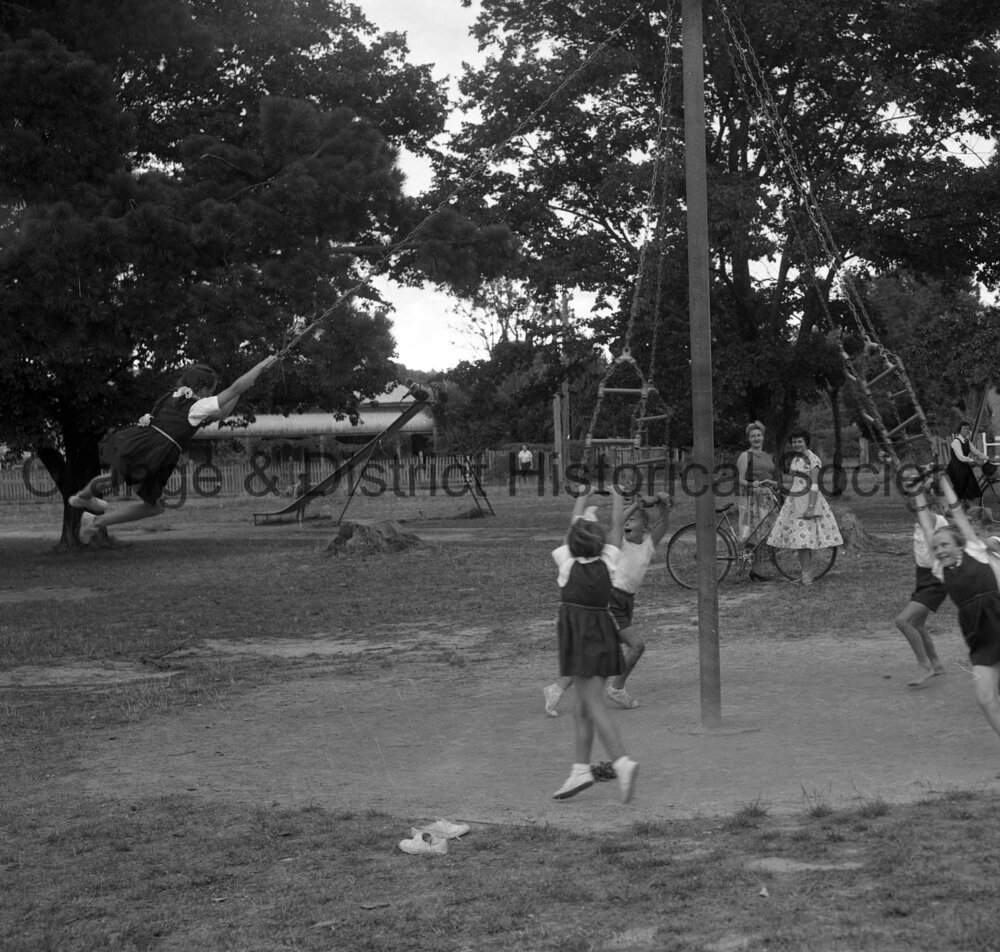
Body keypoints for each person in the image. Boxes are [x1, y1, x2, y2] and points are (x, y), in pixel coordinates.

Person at [70, 355, 278, 543]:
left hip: (150, 446)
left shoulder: (176, 396)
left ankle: (92, 516)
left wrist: (243, 389)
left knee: (150, 503)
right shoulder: (197, 405)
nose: (212, 396)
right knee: (121, 480)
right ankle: (87, 505)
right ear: (203, 390)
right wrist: (260, 367)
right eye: (211, 392)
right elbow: (233, 389)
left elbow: (222, 412)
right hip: (154, 450)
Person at [544, 492, 673, 715]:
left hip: (627, 602)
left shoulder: (648, 544)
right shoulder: (619, 544)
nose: (629, 523)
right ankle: (616, 688)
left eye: (634, 520)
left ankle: (557, 688)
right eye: (629, 520)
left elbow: (664, 523)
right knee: (636, 645)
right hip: (611, 600)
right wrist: (635, 506)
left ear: (645, 527)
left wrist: (663, 504)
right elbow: (618, 523)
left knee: (594, 653)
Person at [550, 487, 638, 804]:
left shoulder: (566, 562)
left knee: (593, 705)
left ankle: (622, 762)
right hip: (603, 634)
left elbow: (572, 525)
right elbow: (616, 525)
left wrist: (582, 496)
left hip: (579, 639)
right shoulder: (609, 559)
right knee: (582, 707)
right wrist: (617, 495)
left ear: (572, 542)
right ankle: (580, 770)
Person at [911, 476, 1000, 740]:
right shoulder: (941, 569)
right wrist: (916, 491)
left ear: (959, 544)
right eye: (936, 547)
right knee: (985, 699)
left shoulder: (974, 550)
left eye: (945, 545)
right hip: (979, 637)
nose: (939, 550)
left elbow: (957, 512)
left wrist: (943, 480)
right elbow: (926, 523)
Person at [767, 428, 843, 584]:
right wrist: (774, 484)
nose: (797, 444)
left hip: (808, 502)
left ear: (806, 442)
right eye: (794, 442)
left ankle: (807, 577)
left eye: (799, 441)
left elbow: (814, 485)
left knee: (803, 542)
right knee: (801, 542)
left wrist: (810, 508)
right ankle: (805, 574)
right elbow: (794, 484)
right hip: (795, 503)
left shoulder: (813, 459)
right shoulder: (796, 460)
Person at [894, 501, 948, 687]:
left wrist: (918, 495)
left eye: (918, 510)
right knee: (917, 624)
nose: (916, 515)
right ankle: (936, 665)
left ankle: (924, 666)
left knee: (902, 621)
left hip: (936, 580)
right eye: (913, 512)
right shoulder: (918, 522)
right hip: (923, 577)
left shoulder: (936, 521)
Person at [735, 420, 780, 578]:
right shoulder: (745, 456)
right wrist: (751, 484)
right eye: (753, 436)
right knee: (750, 535)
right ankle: (741, 568)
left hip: (766, 498)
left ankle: (757, 570)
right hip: (751, 499)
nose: (756, 438)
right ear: (749, 439)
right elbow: (740, 480)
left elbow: (770, 475)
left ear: (763, 437)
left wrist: (773, 487)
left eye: (759, 435)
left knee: (763, 534)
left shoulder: (768, 456)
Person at [946, 421, 989, 504]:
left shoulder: (967, 441)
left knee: (970, 486)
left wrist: (987, 458)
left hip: (964, 466)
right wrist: (973, 461)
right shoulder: (956, 442)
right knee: (962, 487)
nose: (966, 430)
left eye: (968, 429)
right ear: (960, 430)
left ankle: (967, 504)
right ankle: (961, 504)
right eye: (964, 429)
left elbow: (976, 452)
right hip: (956, 468)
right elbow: (961, 457)